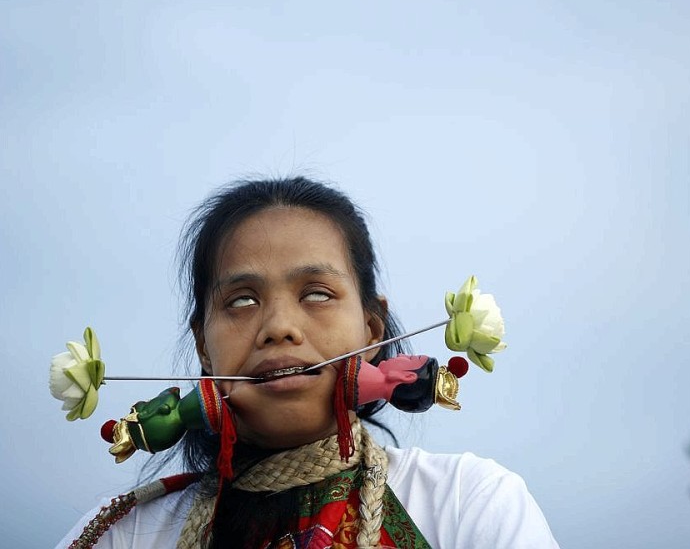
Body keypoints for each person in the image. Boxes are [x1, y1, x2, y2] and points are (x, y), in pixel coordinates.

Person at [57, 176, 559, 548]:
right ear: (204, 347)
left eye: (317, 294)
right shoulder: (121, 534)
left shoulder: (468, 504)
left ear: (372, 332)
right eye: (241, 301)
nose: (279, 326)